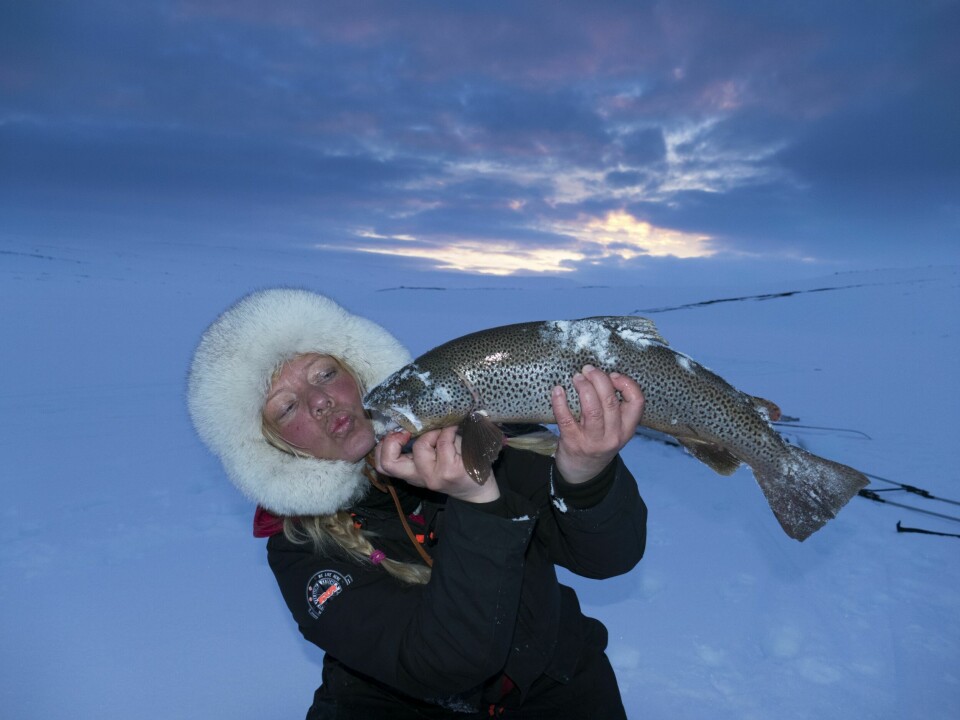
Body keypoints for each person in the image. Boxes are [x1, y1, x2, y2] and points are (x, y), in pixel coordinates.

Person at [187, 288, 648, 719]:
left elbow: (608, 557)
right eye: (287, 407)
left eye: (325, 374)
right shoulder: (300, 549)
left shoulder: (479, 433)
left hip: (556, 683)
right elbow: (443, 662)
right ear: (272, 445)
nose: (321, 401)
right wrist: (476, 502)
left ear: (358, 370)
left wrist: (585, 474)